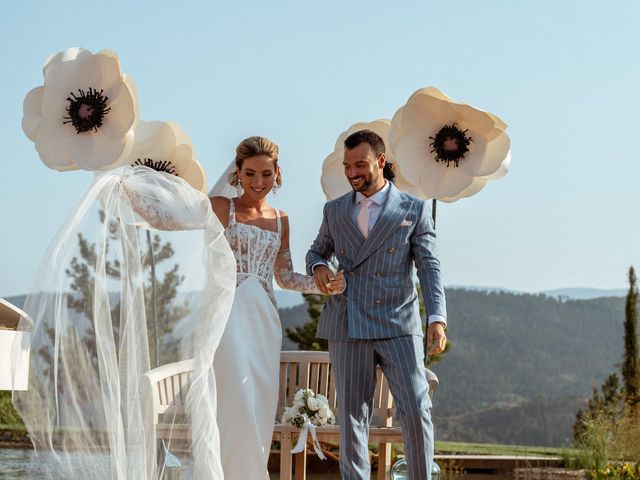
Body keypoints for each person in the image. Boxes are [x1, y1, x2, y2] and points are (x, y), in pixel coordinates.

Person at [306, 129, 447, 479]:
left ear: (381, 161)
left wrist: (437, 318)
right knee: (353, 414)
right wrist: (320, 268)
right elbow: (315, 251)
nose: (352, 173)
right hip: (347, 321)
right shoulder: (334, 210)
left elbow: (429, 267)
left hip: (399, 324)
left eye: (360, 164)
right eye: (347, 166)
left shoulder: (413, 209)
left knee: (416, 409)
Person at [209, 136, 345, 479]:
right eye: (250, 173)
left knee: (257, 407)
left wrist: (323, 285)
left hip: (264, 325)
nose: (258, 182)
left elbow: (284, 277)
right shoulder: (221, 208)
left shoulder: (281, 220)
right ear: (237, 173)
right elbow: (177, 217)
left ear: (277, 173)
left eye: (266, 174)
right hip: (227, 318)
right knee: (235, 402)